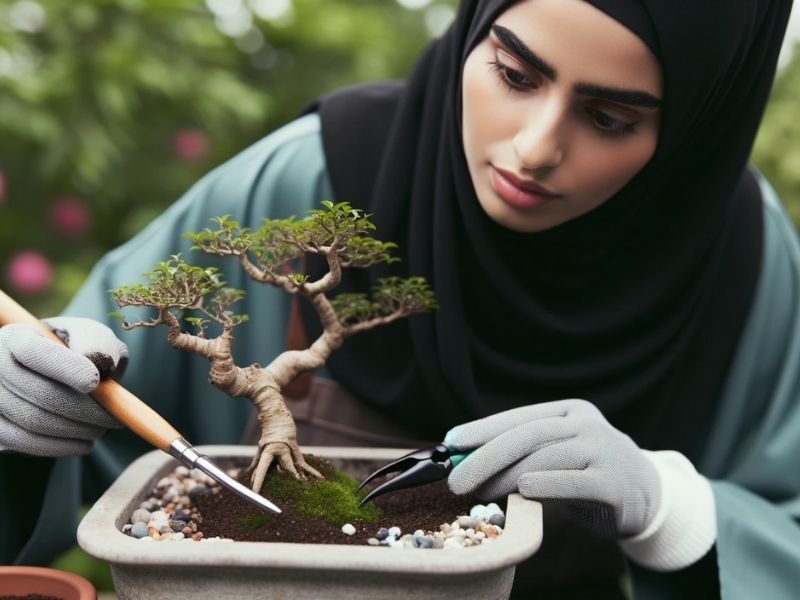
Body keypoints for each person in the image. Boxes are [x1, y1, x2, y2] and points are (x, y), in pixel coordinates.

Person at [1, 0, 798, 597]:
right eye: (514, 75)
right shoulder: (307, 187)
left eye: (609, 116)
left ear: (696, 129)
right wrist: (28, 410)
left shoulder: (742, 261)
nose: (534, 147)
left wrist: (672, 509)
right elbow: (92, 404)